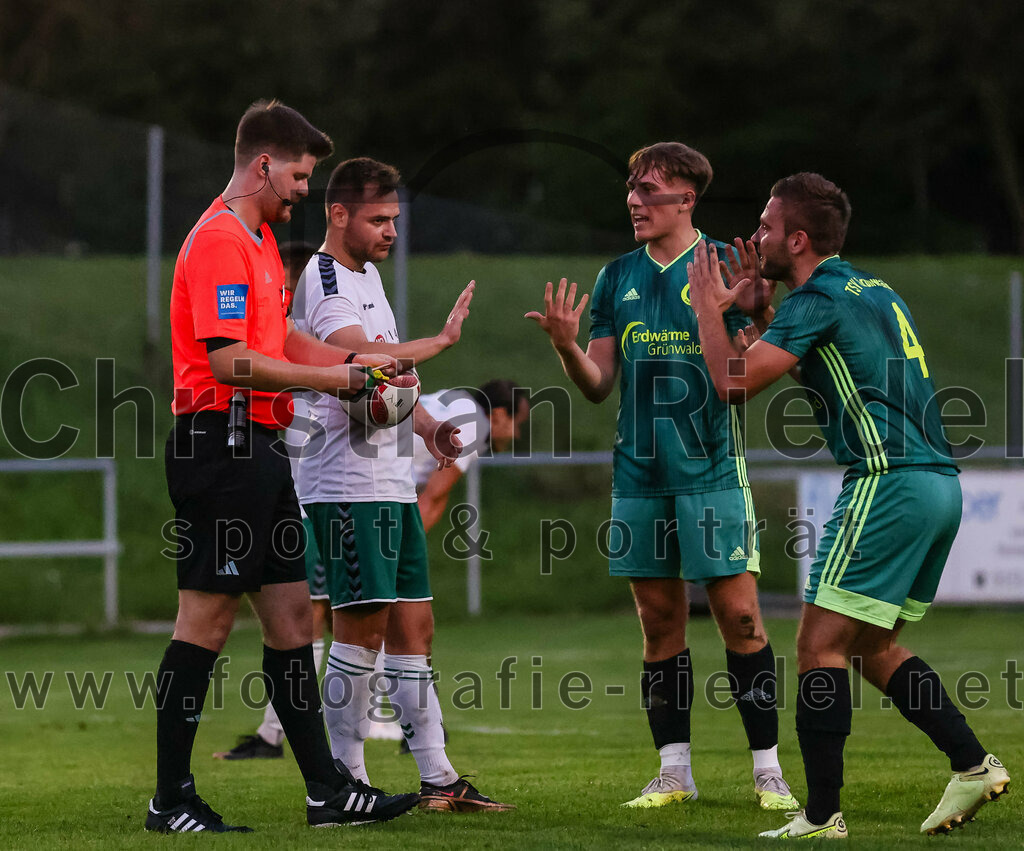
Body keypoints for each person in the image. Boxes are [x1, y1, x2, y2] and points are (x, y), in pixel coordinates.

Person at [688, 172, 1010, 839]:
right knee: (872, 644)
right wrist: (758, 314)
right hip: (938, 482)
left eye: (768, 226)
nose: (757, 236)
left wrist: (707, 308)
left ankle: (821, 813)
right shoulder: (868, 288)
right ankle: (972, 763)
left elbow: (732, 383)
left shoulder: (818, 297)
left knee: (818, 646)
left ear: (798, 239)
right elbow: (821, 365)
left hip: (886, 479)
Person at [153, 101, 419, 833]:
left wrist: (363, 362)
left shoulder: (261, 240)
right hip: (221, 444)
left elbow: (289, 343)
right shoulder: (218, 241)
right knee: (204, 623)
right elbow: (230, 361)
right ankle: (170, 798)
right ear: (263, 164)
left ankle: (328, 793)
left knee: (294, 618)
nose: (304, 189)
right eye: (299, 174)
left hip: (260, 450)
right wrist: (341, 382)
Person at [525, 142, 798, 811]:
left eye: (648, 189)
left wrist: (759, 316)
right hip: (639, 473)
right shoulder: (617, 276)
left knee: (739, 616)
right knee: (658, 622)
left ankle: (769, 771)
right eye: (631, 189)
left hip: (709, 469)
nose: (634, 201)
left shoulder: (722, 269)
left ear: (686, 197)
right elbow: (596, 384)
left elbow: (740, 368)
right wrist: (565, 347)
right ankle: (674, 771)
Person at [295, 156, 513, 812]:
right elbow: (366, 362)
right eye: (378, 218)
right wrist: (430, 350)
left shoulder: (367, 276)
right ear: (338, 214)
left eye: (395, 218)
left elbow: (391, 382)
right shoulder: (327, 277)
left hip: (389, 480)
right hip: (347, 483)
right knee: (358, 631)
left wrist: (428, 428)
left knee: (414, 627)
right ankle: (343, 779)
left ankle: (440, 781)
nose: (391, 230)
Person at [212, 240, 345, 760]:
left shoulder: (305, 337)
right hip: (290, 492)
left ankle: (355, 737)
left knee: (331, 613)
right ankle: (281, 735)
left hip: (317, 494)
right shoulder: (272, 341)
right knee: (307, 613)